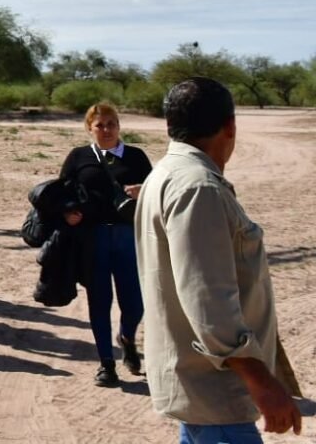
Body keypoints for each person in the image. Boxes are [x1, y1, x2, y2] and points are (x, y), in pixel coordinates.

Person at [137, 77, 301, 442]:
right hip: (217, 392)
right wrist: (260, 379)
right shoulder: (198, 187)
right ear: (230, 126)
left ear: (170, 124)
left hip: (201, 390)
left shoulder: (165, 173)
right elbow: (207, 296)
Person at [59, 102, 152, 387]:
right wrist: (68, 212)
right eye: (100, 125)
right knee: (99, 301)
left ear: (119, 126)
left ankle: (127, 337)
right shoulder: (79, 157)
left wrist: (143, 191)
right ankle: (106, 363)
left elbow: (159, 193)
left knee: (135, 303)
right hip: (93, 238)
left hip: (128, 238)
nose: (107, 130)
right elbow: (61, 192)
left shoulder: (136, 156)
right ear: (90, 128)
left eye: (112, 124)